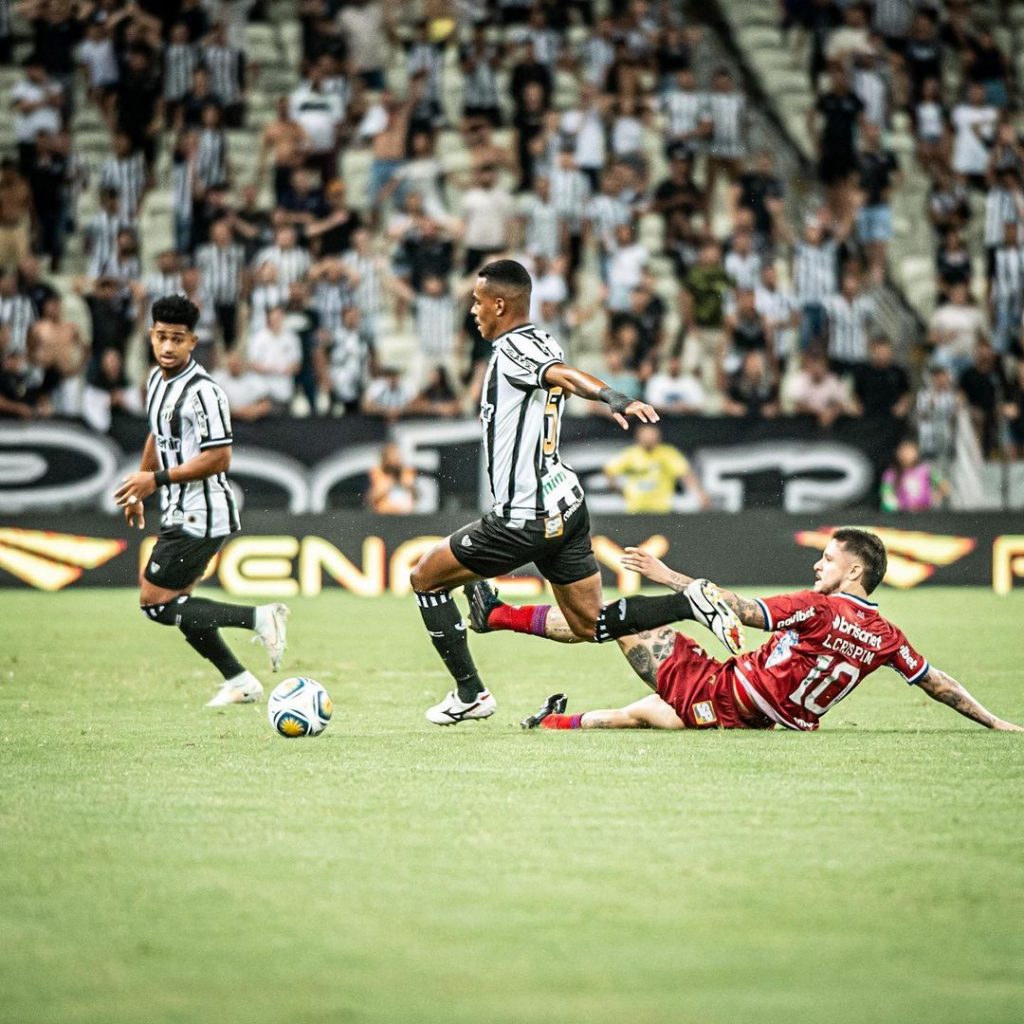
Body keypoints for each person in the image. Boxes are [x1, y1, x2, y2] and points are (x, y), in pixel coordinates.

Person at [408, 259, 741, 727]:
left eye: (478, 302)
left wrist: (611, 397)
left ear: (499, 304)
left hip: (523, 515)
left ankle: (471, 693)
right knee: (590, 624)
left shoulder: (514, 351)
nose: (473, 312)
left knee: (425, 578)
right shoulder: (542, 336)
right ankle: (691, 601)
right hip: (567, 502)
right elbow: (556, 367)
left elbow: (562, 374)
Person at [505, 530, 1022, 733]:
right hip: (761, 717)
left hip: (722, 690)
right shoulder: (887, 634)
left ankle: (497, 617)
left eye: (827, 559)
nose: (818, 567)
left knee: (613, 620)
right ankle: (552, 723)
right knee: (644, 714)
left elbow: (733, 608)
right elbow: (938, 684)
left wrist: (667, 578)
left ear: (856, 572)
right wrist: (996, 723)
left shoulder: (814, 609)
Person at [112, 294, 289, 709]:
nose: (168, 346)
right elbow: (158, 434)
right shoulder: (157, 381)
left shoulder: (205, 392)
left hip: (202, 514)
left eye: (177, 338)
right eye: (161, 337)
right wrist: (144, 487)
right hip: (179, 507)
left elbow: (219, 457)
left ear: (193, 341)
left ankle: (261, 618)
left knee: (155, 606)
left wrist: (153, 479)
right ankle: (240, 680)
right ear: (151, 337)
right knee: (184, 606)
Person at [603, 423, 710, 513]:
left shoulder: (667, 453)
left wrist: (700, 494)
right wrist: (618, 490)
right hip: (634, 508)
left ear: (658, 437)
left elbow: (685, 474)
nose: (648, 439)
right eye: (645, 436)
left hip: (661, 508)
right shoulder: (630, 454)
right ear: (638, 437)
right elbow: (610, 470)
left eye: (651, 436)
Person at [880, 438, 949, 512]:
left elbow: (944, 486)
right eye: (903, 450)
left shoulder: (926, 469)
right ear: (898, 453)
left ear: (916, 452)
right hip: (902, 515)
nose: (906, 454)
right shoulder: (891, 474)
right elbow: (886, 494)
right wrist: (895, 505)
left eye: (910, 451)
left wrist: (935, 498)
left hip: (926, 513)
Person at [366, 442, 418, 514]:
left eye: (396, 455)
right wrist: (390, 482)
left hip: (404, 514)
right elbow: (373, 496)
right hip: (384, 514)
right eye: (391, 455)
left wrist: (405, 482)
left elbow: (413, 492)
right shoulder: (378, 472)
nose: (395, 458)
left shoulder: (406, 472)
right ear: (385, 457)